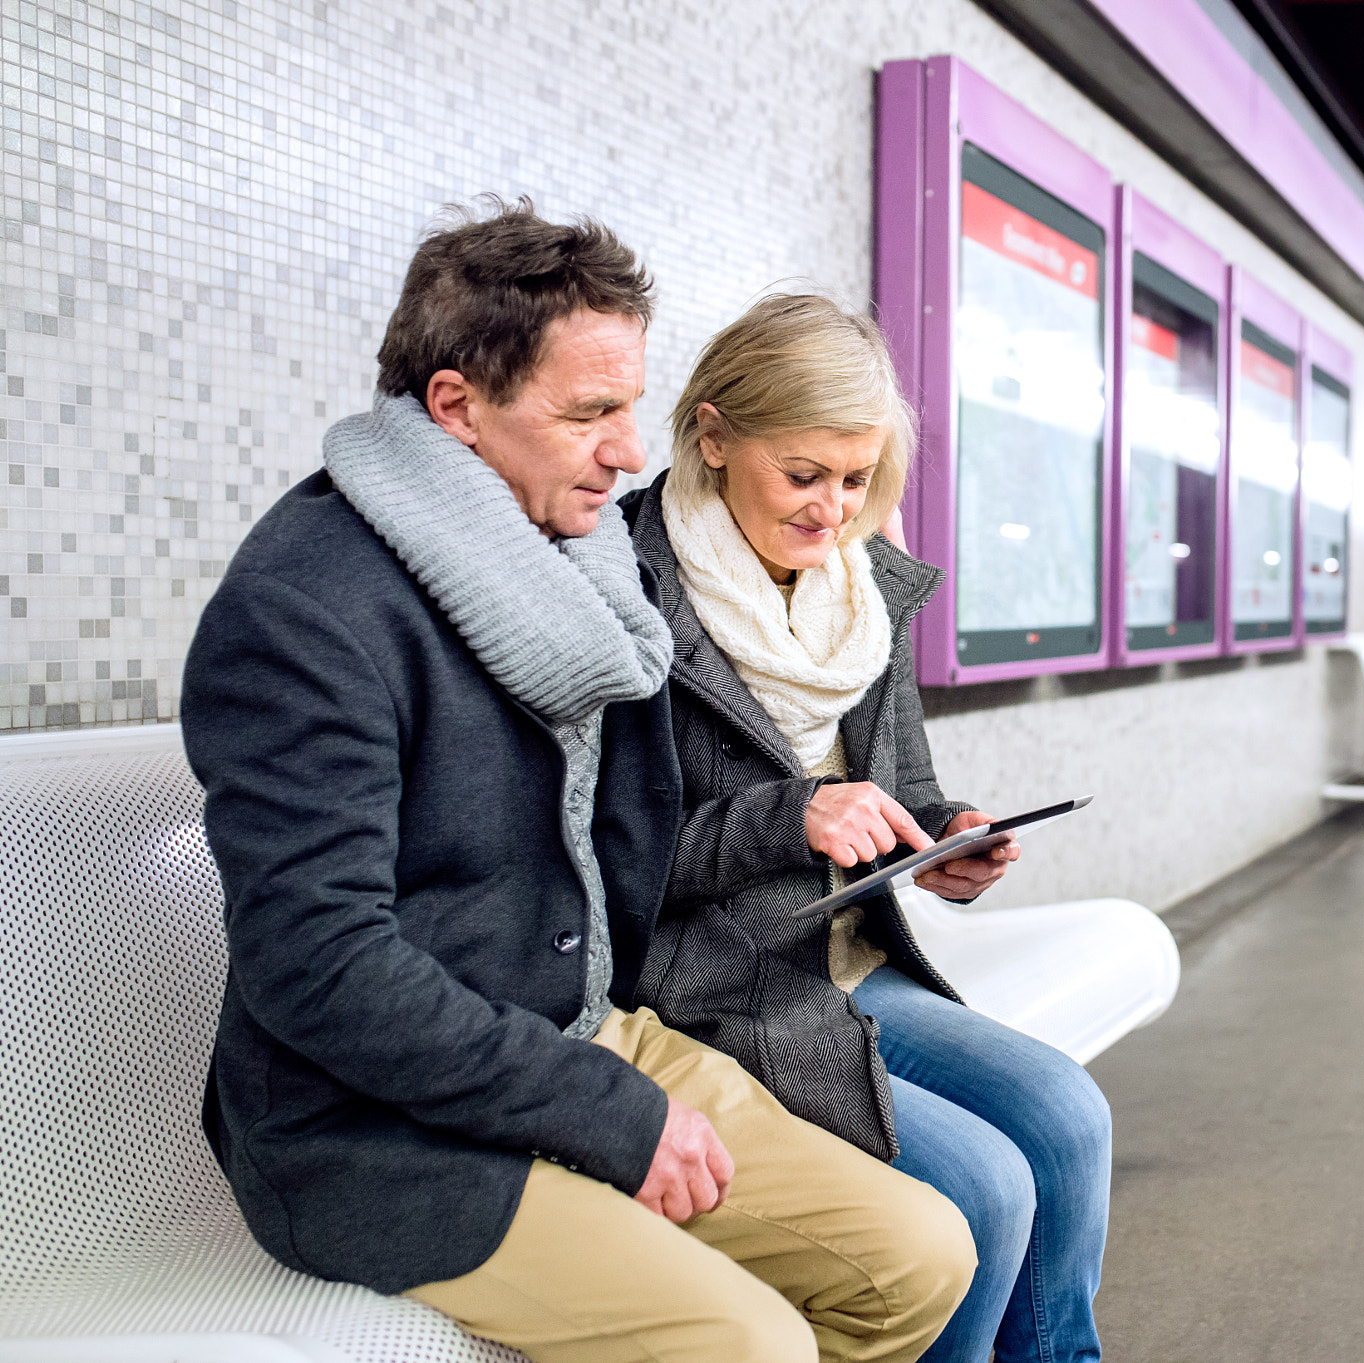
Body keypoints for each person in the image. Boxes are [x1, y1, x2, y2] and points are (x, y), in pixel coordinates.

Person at [181, 205, 972, 1363]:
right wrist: (598, 1107)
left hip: (581, 1031)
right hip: (372, 1131)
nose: (623, 448)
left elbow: (631, 850)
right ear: (456, 407)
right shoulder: (306, 610)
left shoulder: (579, 575)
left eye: (629, 408)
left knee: (921, 1256)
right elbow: (318, 968)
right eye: (589, 412)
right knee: (747, 1343)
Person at [619, 293, 1114, 1363]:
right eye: (803, 475)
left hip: (850, 961)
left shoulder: (857, 592)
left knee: (1069, 1119)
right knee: (982, 1191)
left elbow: (900, 784)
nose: (833, 510)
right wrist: (789, 817)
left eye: (856, 478)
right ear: (712, 434)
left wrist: (944, 837)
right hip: (712, 989)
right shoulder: (623, 591)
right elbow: (607, 867)